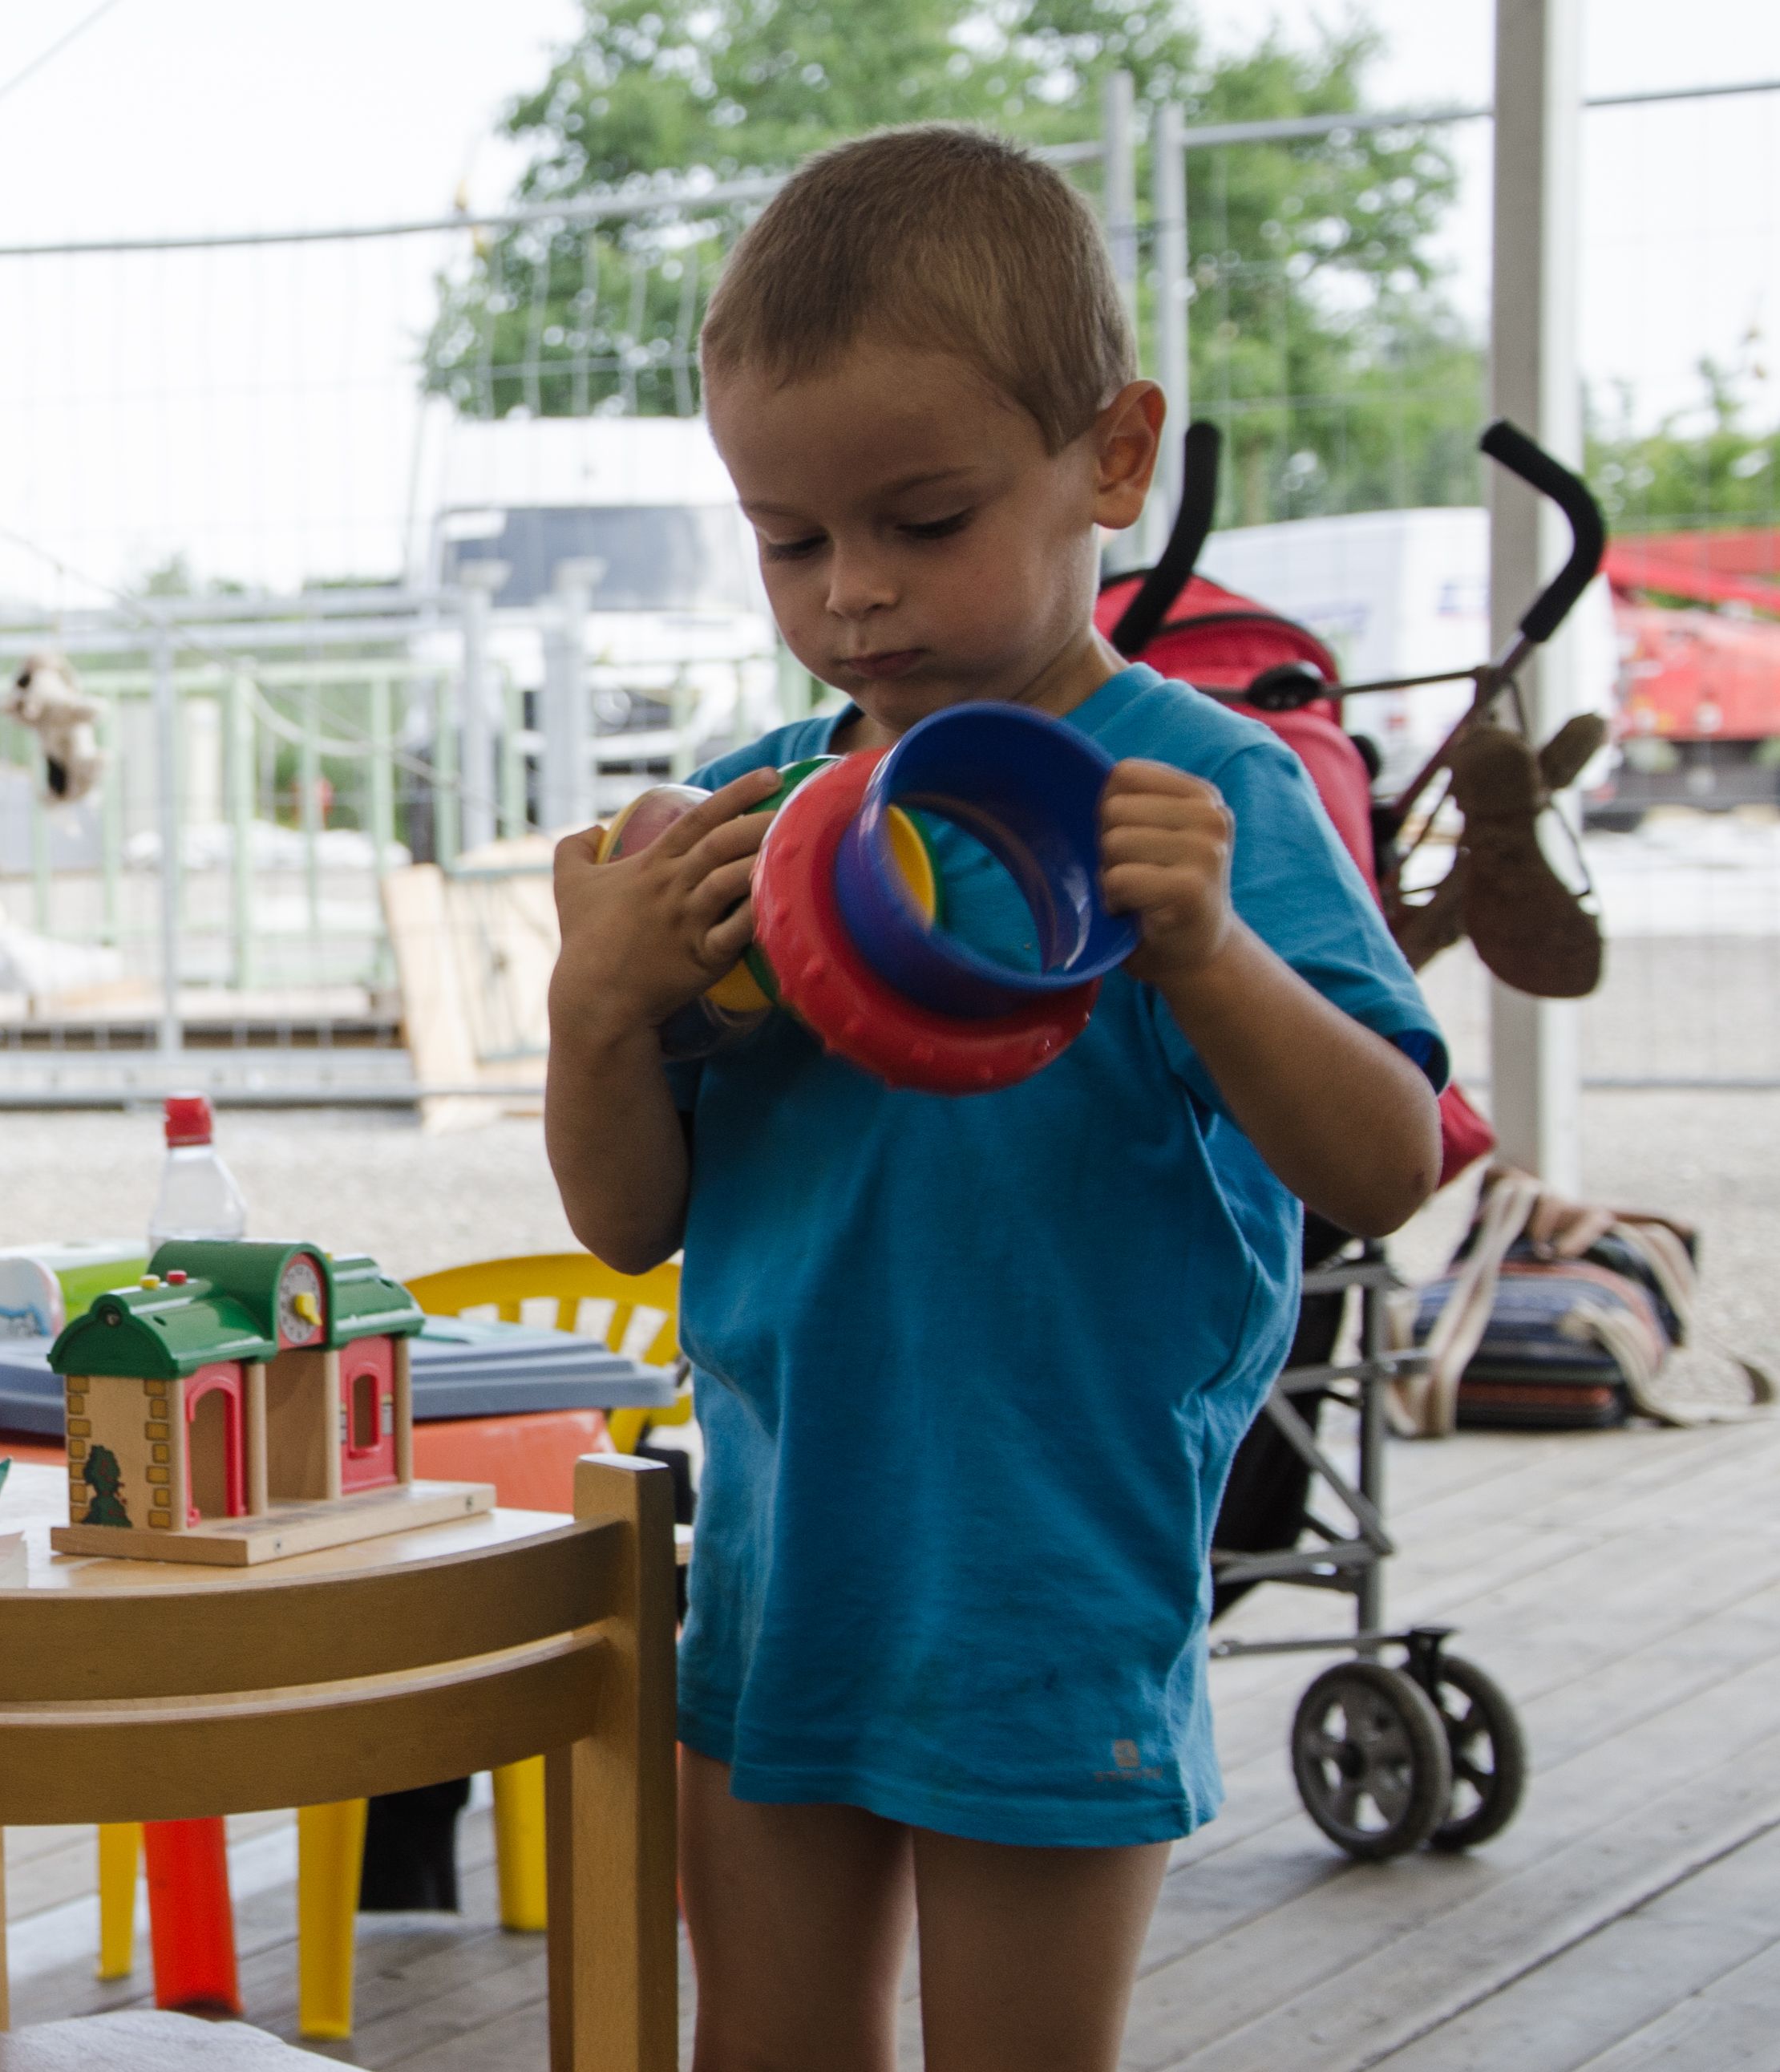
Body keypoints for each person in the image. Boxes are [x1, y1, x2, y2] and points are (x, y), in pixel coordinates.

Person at [541, 126, 1445, 2072]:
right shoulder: (752, 827)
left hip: (1048, 1580)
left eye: (922, 520)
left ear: (1110, 458)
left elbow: (1381, 1166)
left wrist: (1203, 950)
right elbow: (629, 1218)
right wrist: (595, 1012)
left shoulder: (1195, 802)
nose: (853, 594)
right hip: (783, 1575)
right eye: (791, 540)